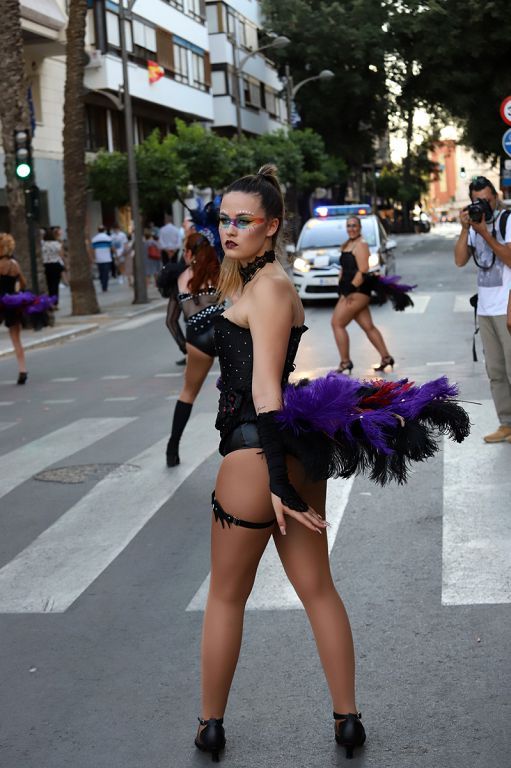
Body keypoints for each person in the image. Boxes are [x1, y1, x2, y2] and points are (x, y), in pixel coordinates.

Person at [194, 165, 366, 762]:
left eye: (244, 221)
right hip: (290, 452)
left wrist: (275, 484)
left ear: (271, 227)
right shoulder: (260, 282)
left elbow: (266, 389)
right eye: (224, 219)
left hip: (254, 457)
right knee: (318, 590)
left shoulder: (265, 289)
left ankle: (210, 725)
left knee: (225, 597)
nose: (230, 229)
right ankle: (348, 720)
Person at [454, 176, 511, 443]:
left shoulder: (506, 220)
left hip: (506, 307)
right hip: (486, 309)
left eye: (487, 199)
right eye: (478, 200)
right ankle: (506, 423)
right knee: (496, 372)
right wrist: (466, 229)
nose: (483, 204)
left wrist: (485, 232)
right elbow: (459, 260)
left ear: (495, 197)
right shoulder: (475, 224)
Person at [165, 231, 223, 466]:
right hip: (223, 333)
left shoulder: (180, 278)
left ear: (189, 253)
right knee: (236, 392)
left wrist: (184, 346)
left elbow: (170, 320)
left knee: (188, 394)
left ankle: (172, 449)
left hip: (196, 338)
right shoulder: (220, 272)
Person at [331, 216, 394, 373]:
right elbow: (344, 269)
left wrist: (349, 289)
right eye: (348, 226)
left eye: (354, 225)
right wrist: (340, 286)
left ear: (359, 227)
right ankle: (386, 358)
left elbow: (363, 269)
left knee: (337, 324)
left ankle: (345, 362)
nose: (351, 228)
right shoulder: (348, 244)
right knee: (368, 326)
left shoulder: (361, 245)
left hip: (356, 292)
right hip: (349, 291)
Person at [0, 233, 28, 384]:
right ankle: (22, 370)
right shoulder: (14, 264)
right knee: (16, 339)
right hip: (12, 301)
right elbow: (23, 283)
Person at [41, 227, 66, 307]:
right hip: (55, 265)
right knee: (55, 285)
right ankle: (55, 302)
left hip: (46, 265)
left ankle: (49, 302)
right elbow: (61, 255)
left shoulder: (42, 244)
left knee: (48, 284)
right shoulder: (56, 244)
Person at [90, 225, 114, 292]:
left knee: (101, 272)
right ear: (104, 230)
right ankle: (105, 287)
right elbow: (111, 247)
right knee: (106, 273)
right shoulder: (108, 238)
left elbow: (92, 250)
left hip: (99, 258)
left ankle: (102, 284)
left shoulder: (94, 239)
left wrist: (92, 257)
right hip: (107, 258)